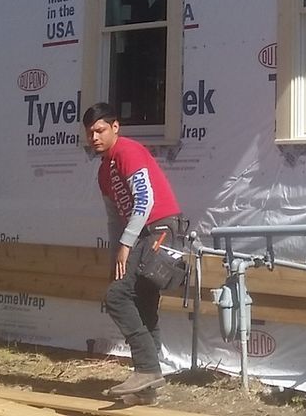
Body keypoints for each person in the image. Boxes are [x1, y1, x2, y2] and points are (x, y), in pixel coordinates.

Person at [85, 103, 186, 399]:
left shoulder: (127, 151)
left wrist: (126, 245)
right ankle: (151, 389)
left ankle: (146, 369)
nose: (94, 137)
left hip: (158, 228)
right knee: (143, 304)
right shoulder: (104, 171)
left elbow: (145, 199)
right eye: (90, 132)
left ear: (115, 127)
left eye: (100, 130)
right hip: (140, 234)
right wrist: (117, 253)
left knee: (116, 296)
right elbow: (114, 218)